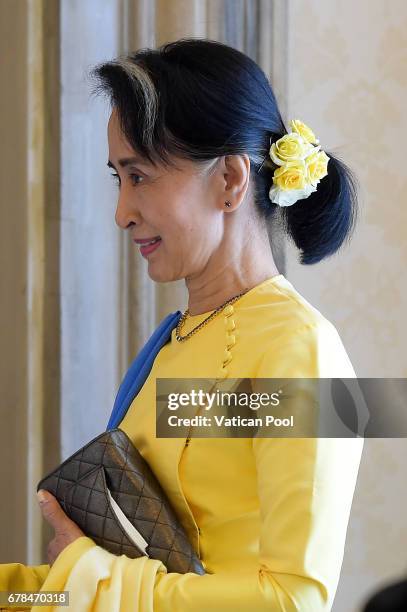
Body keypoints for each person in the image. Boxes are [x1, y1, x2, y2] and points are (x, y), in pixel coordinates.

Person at [0, 38, 363, 611]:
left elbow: (295, 601)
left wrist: (90, 575)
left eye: (139, 176)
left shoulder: (301, 350)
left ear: (229, 181)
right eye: (116, 178)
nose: (122, 212)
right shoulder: (173, 340)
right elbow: (86, 584)